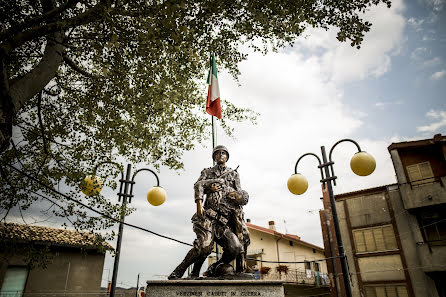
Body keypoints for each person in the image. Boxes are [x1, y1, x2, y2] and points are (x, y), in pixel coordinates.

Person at [168, 145, 250, 279]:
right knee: (204, 246)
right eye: (218, 153)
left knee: (234, 247)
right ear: (214, 157)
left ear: (227, 157)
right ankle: (179, 271)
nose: (221, 155)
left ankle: (215, 268)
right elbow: (198, 185)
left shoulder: (234, 175)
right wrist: (200, 200)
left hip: (223, 221)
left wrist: (237, 201)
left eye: (224, 153)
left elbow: (239, 196)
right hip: (208, 217)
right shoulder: (207, 172)